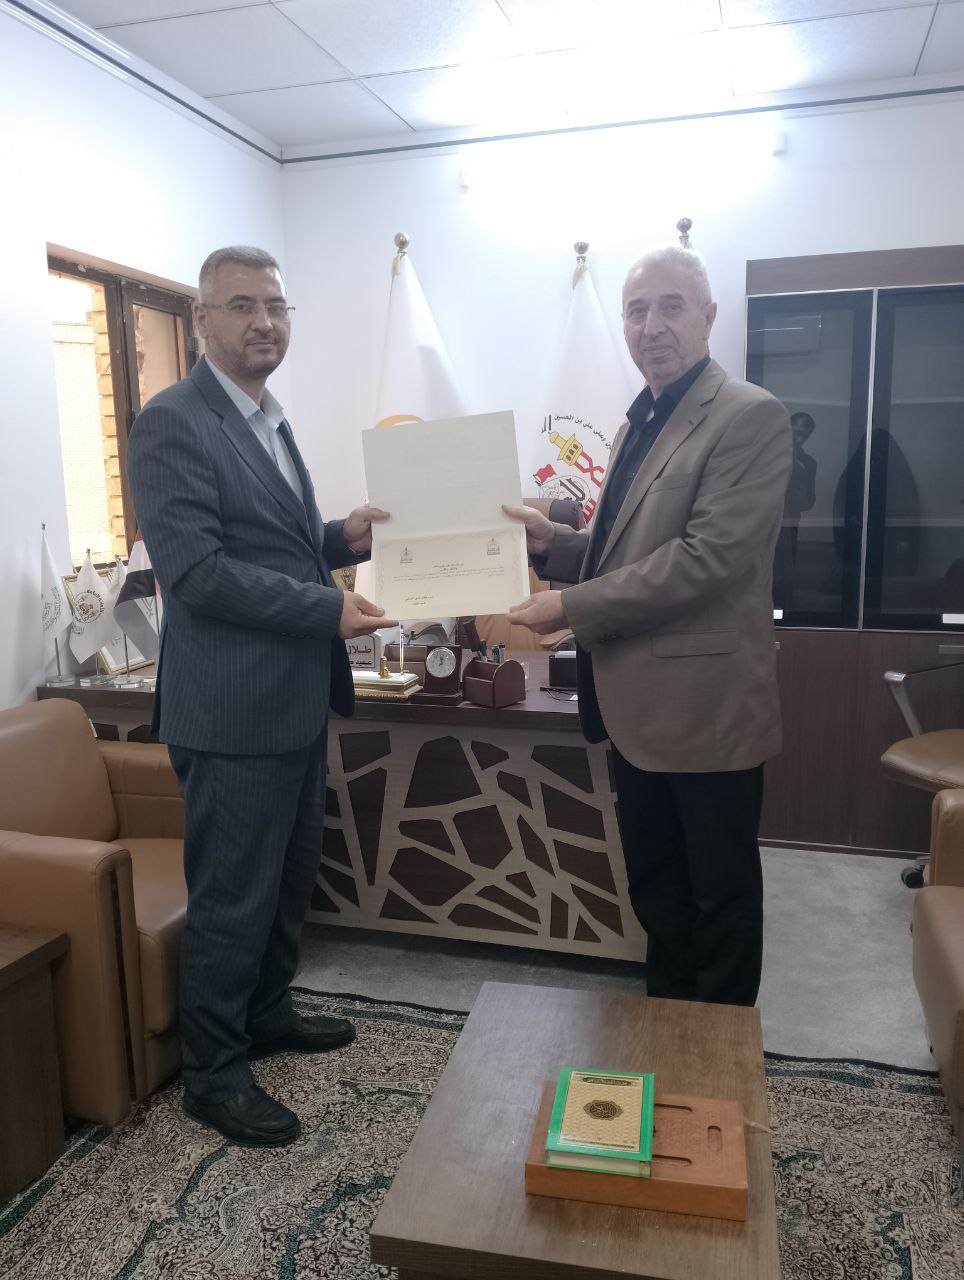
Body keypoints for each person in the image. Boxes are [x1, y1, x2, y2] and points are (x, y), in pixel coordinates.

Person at [127, 246, 394, 1146]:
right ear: (200, 320)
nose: (263, 322)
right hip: (231, 710)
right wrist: (327, 609)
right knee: (233, 896)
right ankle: (211, 1073)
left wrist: (342, 536)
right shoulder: (173, 422)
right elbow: (199, 574)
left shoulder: (268, 418)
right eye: (241, 305)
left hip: (292, 701)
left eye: (276, 305)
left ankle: (267, 1012)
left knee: (285, 883)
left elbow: (273, 540)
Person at [505, 247, 791, 1007]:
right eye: (636, 311)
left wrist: (569, 607)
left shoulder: (749, 415)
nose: (651, 326)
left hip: (705, 708)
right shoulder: (641, 418)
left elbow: (706, 560)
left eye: (671, 306)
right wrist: (553, 545)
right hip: (634, 708)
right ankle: (670, 1029)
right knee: (658, 890)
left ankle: (718, 1054)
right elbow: (624, 550)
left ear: (708, 316)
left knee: (719, 897)